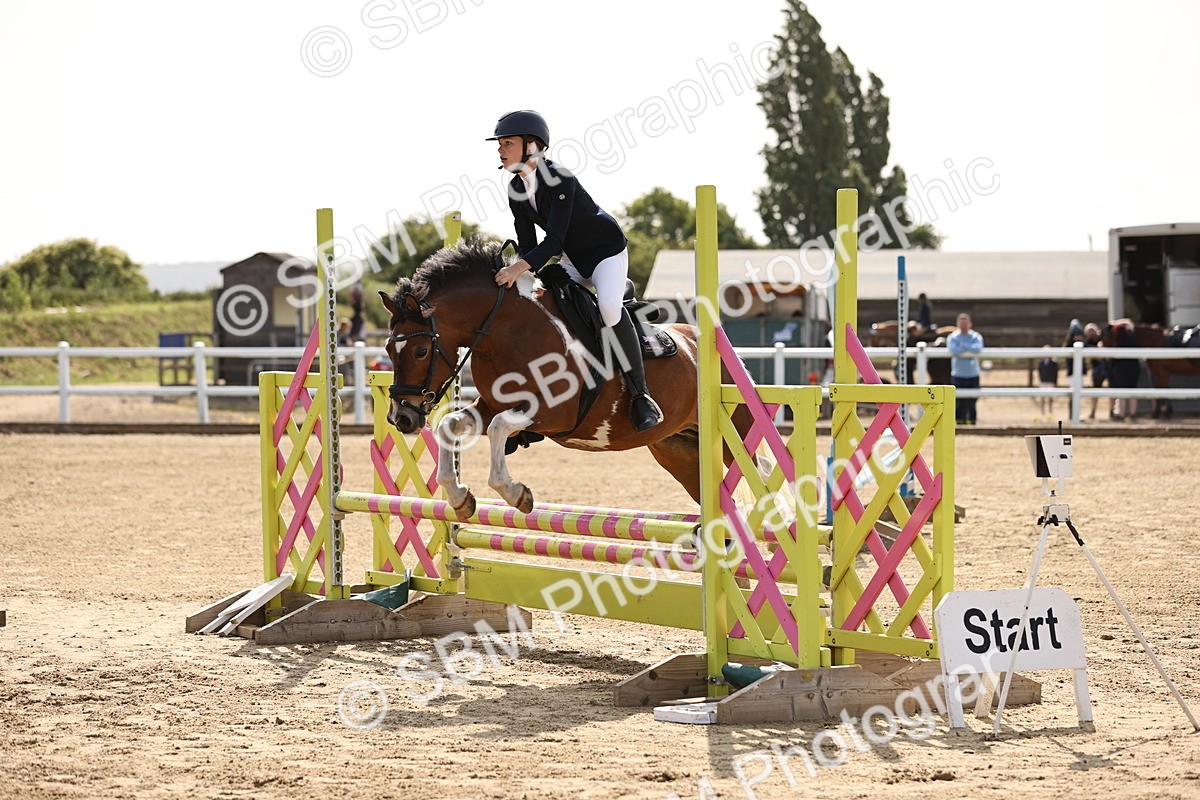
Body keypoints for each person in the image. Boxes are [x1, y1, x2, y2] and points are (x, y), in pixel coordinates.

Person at [488, 110, 661, 432]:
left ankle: (641, 396)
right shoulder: (515, 187)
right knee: (545, 307)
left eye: (507, 143)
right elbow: (528, 242)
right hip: (569, 258)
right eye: (499, 144)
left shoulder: (559, 177)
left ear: (532, 146)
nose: (500, 150)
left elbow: (553, 239)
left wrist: (521, 268)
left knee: (608, 307)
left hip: (604, 253)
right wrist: (526, 272)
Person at [946, 312, 984, 425]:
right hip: (958, 374)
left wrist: (962, 346)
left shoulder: (976, 336)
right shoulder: (953, 337)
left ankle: (972, 421)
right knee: (958, 401)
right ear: (958, 324)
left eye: (965, 323)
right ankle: (958, 421)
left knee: (972, 401)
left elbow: (978, 349)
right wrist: (969, 347)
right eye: (961, 323)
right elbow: (953, 350)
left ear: (970, 324)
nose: (963, 326)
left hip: (973, 374)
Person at [1108, 319, 1141, 420]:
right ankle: (1132, 414)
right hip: (1134, 368)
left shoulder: (1117, 342)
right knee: (1133, 390)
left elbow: (1112, 358)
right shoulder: (1134, 339)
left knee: (1122, 392)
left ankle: (1121, 414)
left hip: (1121, 369)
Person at [1082, 323, 1110, 420]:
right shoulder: (1087, 343)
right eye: (1089, 333)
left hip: (1109, 367)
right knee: (1095, 391)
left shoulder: (1105, 336)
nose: (1092, 334)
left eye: (1093, 331)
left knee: (1113, 389)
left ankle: (1112, 412)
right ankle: (1093, 412)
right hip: (1097, 369)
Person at [1036, 344, 1059, 418]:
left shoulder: (1054, 363)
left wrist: (1055, 382)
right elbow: (1039, 372)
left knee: (1050, 398)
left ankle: (1050, 411)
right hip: (1043, 381)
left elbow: (1055, 374)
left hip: (1050, 382)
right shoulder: (1041, 363)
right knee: (1042, 398)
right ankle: (1042, 411)